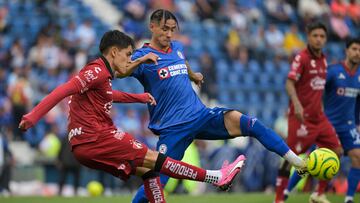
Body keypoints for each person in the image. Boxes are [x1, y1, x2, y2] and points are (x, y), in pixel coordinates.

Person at [18, 30, 246, 203]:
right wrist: (33, 115)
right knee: (157, 160)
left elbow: (109, 95)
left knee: (149, 172)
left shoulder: (103, 76)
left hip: (83, 146)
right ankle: (216, 177)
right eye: (127, 55)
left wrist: (139, 97)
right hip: (97, 137)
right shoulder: (96, 71)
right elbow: (64, 89)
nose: (129, 61)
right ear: (114, 52)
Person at [116, 9, 308, 203]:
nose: (169, 34)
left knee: (251, 124)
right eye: (165, 29)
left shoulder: (177, 47)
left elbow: (181, 61)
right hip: (173, 128)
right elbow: (120, 72)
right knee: (156, 182)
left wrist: (193, 75)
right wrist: (141, 59)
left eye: (172, 30)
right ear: (153, 26)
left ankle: (298, 162)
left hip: (200, 116)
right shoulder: (143, 55)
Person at [274, 22, 343, 203]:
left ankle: (318, 194)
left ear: (326, 38)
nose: (319, 39)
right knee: (289, 158)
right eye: (315, 36)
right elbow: (289, 83)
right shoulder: (301, 58)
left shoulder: (324, 59)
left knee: (337, 150)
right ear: (308, 36)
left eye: (322, 36)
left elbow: (317, 89)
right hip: (301, 118)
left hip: (319, 118)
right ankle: (279, 198)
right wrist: (296, 104)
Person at [285, 38, 360, 203]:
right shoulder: (333, 71)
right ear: (347, 51)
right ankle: (287, 191)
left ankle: (347, 198)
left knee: (357, 156)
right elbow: (315, 90)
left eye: (359, 50)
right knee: (313, 160)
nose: (357, 53)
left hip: (348, 125)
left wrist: (358, 123)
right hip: (328, 123)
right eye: (354, 49)